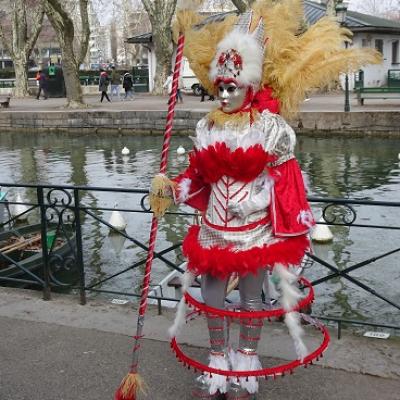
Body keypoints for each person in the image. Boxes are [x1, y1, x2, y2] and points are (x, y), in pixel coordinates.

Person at [152, 2, 380, 399]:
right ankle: (218, 363)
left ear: (250, 85)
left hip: (254, 230)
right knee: (212, 297)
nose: (224, 94)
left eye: (231, 87)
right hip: (212, 232)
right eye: (219, 87)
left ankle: (246, 363)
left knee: (253, 298)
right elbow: (199, 176)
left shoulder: (271, 129)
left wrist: (284, 224)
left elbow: (287, 183)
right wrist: (171, 188)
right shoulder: (207, 125)